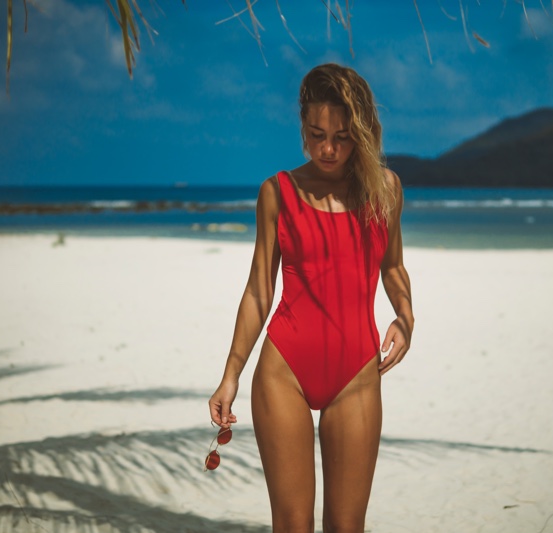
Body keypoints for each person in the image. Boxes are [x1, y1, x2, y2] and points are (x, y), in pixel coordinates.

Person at [208, 63, 414, 533]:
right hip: (285, 373)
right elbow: (260, 288)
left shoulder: (386, 191)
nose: (327, 148)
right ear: (302, 127)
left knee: (346, 526)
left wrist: (405, 316)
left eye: (341, 137)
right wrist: (230, 374)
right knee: (293, 525)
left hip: (357, 377)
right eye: (317, 133)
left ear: (361, 132)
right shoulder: (278, 193)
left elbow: (393, 265)